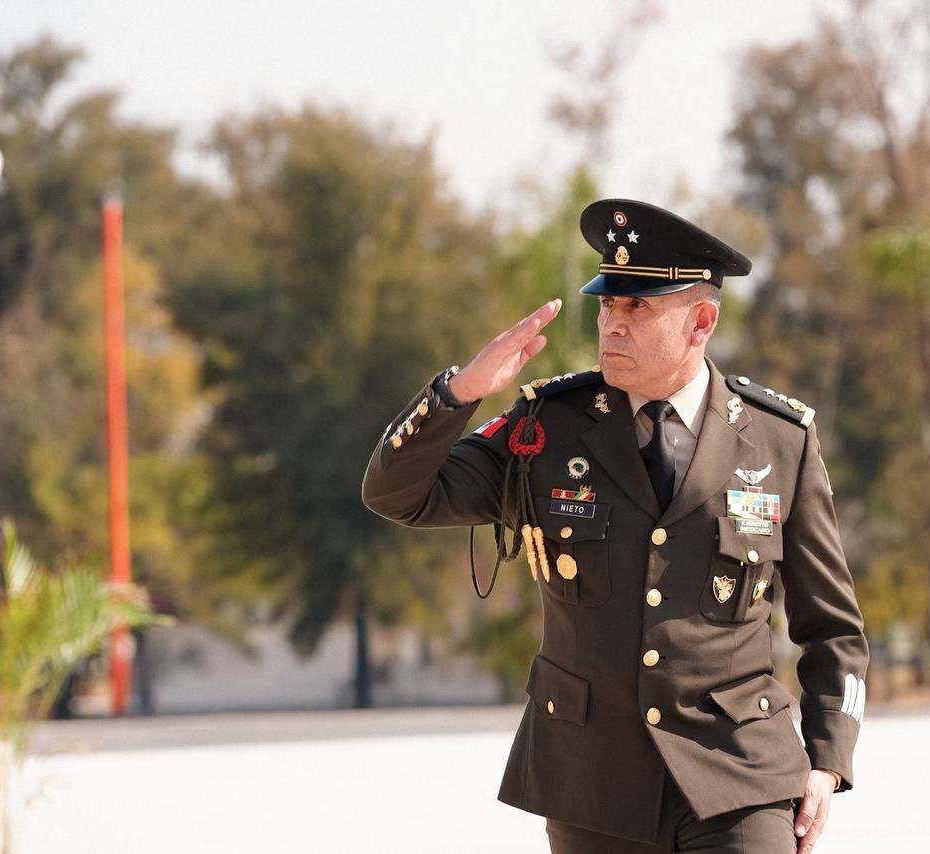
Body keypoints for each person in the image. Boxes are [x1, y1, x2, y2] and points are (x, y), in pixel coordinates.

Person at [361, 199, 869, 853]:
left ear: (701, 321)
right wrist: (456, 395)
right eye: (607, 305)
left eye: (637, 307)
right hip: (592, 781)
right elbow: (397, 495)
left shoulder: (779, 440)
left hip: (740, 774)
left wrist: (828, 758)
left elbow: (834, 627)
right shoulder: (545, 429)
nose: (612, 324)